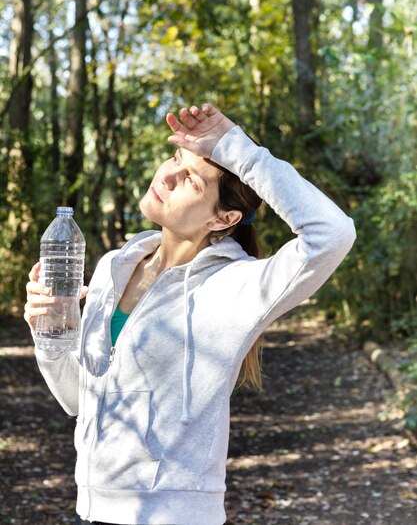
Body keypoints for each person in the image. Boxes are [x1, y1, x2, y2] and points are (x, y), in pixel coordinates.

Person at [24, 104, 356, 525]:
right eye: (176, 159)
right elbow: (78, 401)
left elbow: (333, 234)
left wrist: (238, 150)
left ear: (225, 218)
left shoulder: (235, 286)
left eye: (191, 179)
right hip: (91, 511)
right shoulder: (113, 266)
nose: (167, 176)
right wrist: (50, 337)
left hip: (174, 516)